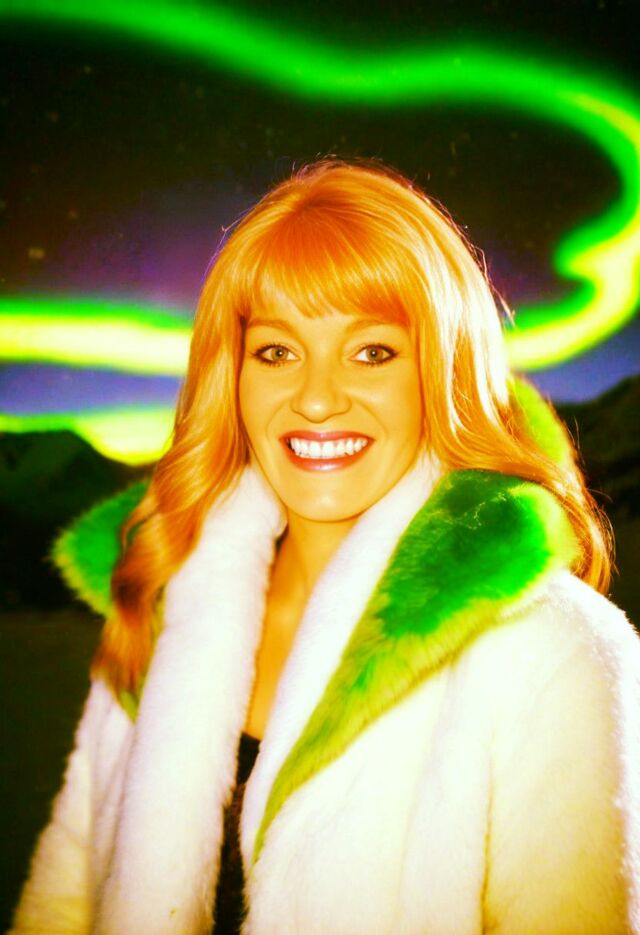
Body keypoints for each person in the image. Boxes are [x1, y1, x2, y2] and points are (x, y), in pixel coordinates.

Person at [11, 157, 640, 935]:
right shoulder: (163, 595)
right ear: (232, 376)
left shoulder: (554, 649)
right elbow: (64, 897)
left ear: (442, 372)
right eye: (276, 351)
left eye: (371, 351)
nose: (314, 398)